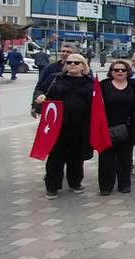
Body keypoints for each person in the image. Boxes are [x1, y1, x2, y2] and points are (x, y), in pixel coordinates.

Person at [35, 54, 94, 199]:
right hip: (57, 124)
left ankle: (75, 182)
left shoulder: (89, 81)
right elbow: (40, 89)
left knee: (77, 156)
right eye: (69, 62)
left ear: (83, 65)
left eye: (76, 62)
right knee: (56, 156)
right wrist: (40, 97)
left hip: (80, 125)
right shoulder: (55, 78)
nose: (72, 65)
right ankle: (52, 186)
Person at [99, 60, 135, 196]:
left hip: (127, 127)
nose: (120, 72)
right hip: (107, 127)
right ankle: (106, 186)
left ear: (128, 71)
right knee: (106, 158)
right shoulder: (103, 85)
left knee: (125, 158)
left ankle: (124, 184)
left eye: (123, 70)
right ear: (111, 72)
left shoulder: (134, 85)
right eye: (116, 70)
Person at [34, 43, 80, 116]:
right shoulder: (50, 68)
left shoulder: (82, 69)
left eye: (68, 52)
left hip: (76, 111)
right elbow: (39, 87)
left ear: (75, 54)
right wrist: (39, 97)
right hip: (54, 110)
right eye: (63, 51)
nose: (65, 53)